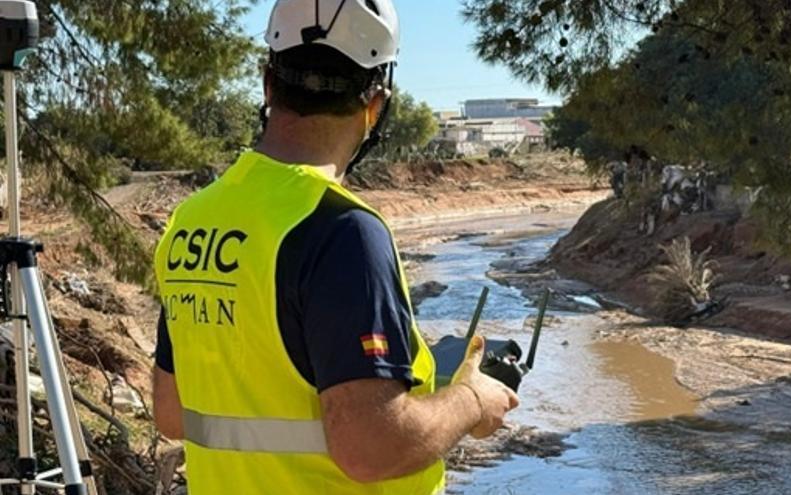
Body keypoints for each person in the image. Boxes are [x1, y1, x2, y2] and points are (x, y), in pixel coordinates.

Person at [150, 1, 519, 493]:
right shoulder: (342, 229)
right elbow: (371, 448)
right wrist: (471, 400)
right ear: (377, 102)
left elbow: (172, 414)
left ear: (267, 83)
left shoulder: (191, 222)